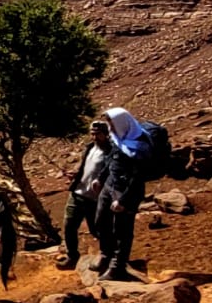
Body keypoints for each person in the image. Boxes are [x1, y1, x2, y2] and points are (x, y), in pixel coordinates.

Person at [94, 106, 152, 281]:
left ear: (120, 123)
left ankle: (117, 267)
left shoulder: (140, 145)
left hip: (126, 192)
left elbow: (138, 176)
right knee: (100, 221)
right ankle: (105, 254)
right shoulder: (118, 139)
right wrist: (100, 178)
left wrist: (124, 200)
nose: (110, 128)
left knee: (122, 231)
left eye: (111, 124)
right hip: (110, 186)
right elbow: (111, 160)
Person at [56, 120, 111, 270]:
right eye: (92, 134)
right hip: (78, 193)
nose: (94, 137)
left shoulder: (111, 152)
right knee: (69, 225)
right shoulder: (89, 148)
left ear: (106, 134)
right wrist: (75, 174)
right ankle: (72, 256)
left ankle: (109, 256)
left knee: (97, 229)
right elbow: (83, 167)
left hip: (95, 198)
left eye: (98, 134)